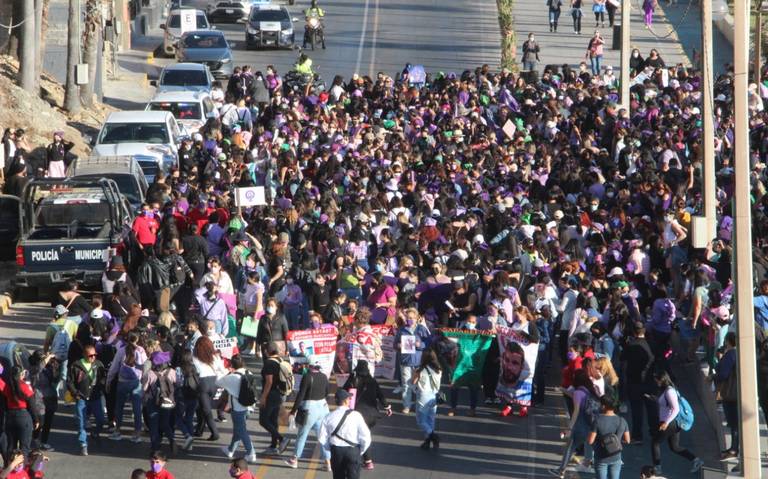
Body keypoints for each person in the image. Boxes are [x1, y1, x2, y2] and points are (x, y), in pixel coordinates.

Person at [650, 370, 704, 474]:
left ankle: (657, 467)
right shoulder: (668, 390)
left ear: (662, 380)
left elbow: (676, 409)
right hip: (672, 423)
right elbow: (667, 404)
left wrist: (666, 422)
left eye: (657, 380)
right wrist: (656, 399)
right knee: (675, 447)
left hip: (670, 423)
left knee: (655, 442)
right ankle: (696, 460)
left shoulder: (670, 391)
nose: (656, 382)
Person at [341, 360, 391, 469]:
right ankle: (368, 461)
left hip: (356, 414)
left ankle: (365, 460)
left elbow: (343, 392)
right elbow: (380, 395)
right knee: (365, 435)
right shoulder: (372, 381)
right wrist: (387, 407)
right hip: (371, 415)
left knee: (356, 436)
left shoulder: (353, 380)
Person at [285, 362, 331, 471]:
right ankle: (328, 462)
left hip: (310, 408)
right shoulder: (324, 376)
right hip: (323, 407)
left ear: (310, 366)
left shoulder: (307, 377)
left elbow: (301, 395)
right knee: (322, 436)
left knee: (302, 434)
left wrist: (293, 410)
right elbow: (327, 392)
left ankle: (294, 459)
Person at [318, 389, 371, 479]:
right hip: (353, 451)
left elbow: (322, 437)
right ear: (346, 401)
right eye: (349, 398)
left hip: (336, 451)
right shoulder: (356, 415)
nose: (350, 400)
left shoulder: (328, 417)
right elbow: (366, 436)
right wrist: (360, 451)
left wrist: (330, 448)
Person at [216, 354, 257, 463]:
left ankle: (251, 453)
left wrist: (225, 370)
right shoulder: (249, 373)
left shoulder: (232, 377)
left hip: (238, 408)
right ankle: (230, 450)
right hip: (249, 407)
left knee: (242, 430)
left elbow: (218, 381)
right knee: (238, 429)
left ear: (232, 364)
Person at [107, 331, 147, 443]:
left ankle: (118, 430)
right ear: (137, 339)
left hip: (122, 382)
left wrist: (108, 381)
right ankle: (137, 433)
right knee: (137, 408)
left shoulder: (121, 350)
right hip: (136, 382)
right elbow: (145, 367)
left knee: (119, 407)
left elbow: (114, 368)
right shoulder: (141, 351)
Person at [67, 344, 106, 456]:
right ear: (84, 355)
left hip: (95, 397)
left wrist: (101, 387)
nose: (93, 357)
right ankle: (83, 444)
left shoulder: (98, 365)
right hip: (82, 398)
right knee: (81, 422)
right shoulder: (76, 366)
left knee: (101, 419)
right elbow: (70, 382)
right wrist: (75, 393)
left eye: (95, 355)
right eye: (90, 355)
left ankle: (96, 432)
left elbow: (103, 377)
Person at [587, 394, 630, 479]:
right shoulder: (622, 420)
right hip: (616, 457)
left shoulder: (597, 421)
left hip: (601, 457)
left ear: (603, 406)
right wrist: (616, 442)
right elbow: (627, 440)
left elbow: (590, 441)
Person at [192, 336, 226, 441]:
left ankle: (214, 432)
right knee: (205, 408)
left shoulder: (195, 357)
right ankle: (199, 430)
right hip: (214, 382)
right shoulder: (215, 356)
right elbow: (222, 370)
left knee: (205, 409)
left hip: (202, 383)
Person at [259, 342, 290, 454]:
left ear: (266, 351)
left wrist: (263, 397)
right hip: (279, 394)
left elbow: (269, 381)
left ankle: (282, 439)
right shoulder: (281, 360)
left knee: (263, 420)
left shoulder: (269, 363)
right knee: (273, 420)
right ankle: (273, 445)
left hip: (270, 395)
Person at [713, 332, 738, 460]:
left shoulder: (731, 354)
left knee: (733, 423)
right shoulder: (741, 353)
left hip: (730, 393)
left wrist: (713, 376)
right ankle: (733, 448)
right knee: (735, 423)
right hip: (737, 392)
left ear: (728, 341)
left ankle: (734, 449)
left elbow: (722, 373)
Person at [412, 348, 442, 450]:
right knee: (430, 419)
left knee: (421, 420)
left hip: (423, 396)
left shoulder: (420, 370)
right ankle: (427, 442)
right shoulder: (438, 369)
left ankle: (433, 436)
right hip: (434, 395)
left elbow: (413, 382)